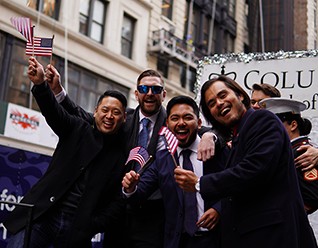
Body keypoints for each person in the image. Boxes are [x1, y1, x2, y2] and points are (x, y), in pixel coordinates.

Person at [46, 67, 217, 247]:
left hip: (155, 217)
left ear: (164, 94)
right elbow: (87, 117)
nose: (150, 93)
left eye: (156, 89)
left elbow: (199, 129)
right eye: (144, 89)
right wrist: (58, 92)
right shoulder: (122, 118)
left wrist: (210, 136)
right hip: (119, 211)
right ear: (136, 94)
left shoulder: (174, 121)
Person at [174, 75, 317, 248]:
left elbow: (253, 170)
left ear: (240, 95)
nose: (219, 103)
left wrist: (198, 183)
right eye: (211, 103)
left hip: (272, 238)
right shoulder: (237, 136)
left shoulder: (263, 119)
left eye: (223, 95)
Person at [4, 57, 127, 248]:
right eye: (105, 109)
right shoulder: (78, 128)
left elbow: (118, 201)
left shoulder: (122, 154)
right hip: (42, 216)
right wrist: (41, 85)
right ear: (95, 112)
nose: (109, 116)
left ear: (124, 118)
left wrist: (93, 225)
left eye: (116, 112)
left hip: (77, 230)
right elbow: (54, 112)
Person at [122, 95, 228, 248]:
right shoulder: (162, 158)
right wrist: (130, 187)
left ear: (198, 123)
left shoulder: (216, 150)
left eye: (187, 117)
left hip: (216, 238)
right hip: (178, 241)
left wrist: (219, 209)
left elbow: (238, 185)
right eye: (175, 118)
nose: (181, 123)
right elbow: (138, 194)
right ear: (167, 124)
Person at [260, 97, 318, 214]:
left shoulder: (302, 152)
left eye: (274, 125)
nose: (269, 130)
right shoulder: (285, 151)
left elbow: (311, 199)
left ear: (293, 125)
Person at [251, 83, 318, 174]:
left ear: (293, 125)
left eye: (261, 103)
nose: (255, 106)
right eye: (252, 102)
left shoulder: (303, 154)